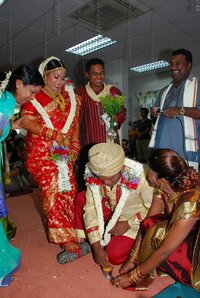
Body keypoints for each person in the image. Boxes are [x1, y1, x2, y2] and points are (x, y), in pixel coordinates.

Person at [20, 56, 90, 264]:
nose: (59, 82)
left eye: (62, 77)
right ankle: (64, 238)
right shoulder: (35, 96)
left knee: (69, 190)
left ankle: (73, 230)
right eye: (55, 77)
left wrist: (76, 145)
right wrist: (53, 135)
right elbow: (25, 121)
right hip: (42, 152)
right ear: (45, 76)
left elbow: (75, 123)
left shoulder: (72, 97)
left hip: (64, 152)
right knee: (53, 190)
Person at [110, 148, 200, 296]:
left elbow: (164, 252)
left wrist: (133, 276)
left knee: (163, 250)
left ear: (162, 179)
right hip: (180, 234)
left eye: (150, 172)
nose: (147, 175)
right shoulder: (164, 188)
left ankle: (184, 274)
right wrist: (133, 259)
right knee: (151, 224)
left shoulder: (189, 204)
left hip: (196, 250)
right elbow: (148, 222)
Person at [74, 143, 154, 275]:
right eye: (101, 178)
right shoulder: (93, 174)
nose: (105, 182)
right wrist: (96, 247)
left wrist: (129, 223)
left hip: (133, 217)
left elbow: (155, 210)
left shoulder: (142, 176)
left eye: (110, 178)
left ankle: (140, 247)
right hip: (109, 208)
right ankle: (86, 240)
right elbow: (91, 209)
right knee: (82, 198)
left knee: (114, 256)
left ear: (122, 168)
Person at [0, 65, 44, 286]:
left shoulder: (5, 99)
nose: (33, 97)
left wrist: (19, 124)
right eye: (32, 91)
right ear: (18, 83)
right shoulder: (7, 101)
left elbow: (3, 130)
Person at [75, 58, 126, 189]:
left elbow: (122, 112)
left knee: (113, 175)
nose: (99, 77)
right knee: (90, 178)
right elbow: (75, 118)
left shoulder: (113, 91)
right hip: (88, 141)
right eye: (94, 74)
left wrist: (117, 117)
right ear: (87, 75)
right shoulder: (79, 93)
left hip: (110, 141)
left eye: (102, 73)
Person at [149, 49, 200, 170]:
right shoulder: (164, 91)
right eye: (171, 63)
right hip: (161, 147)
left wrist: (181, 110)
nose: (173, 67)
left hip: (185, 150)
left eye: (178, 63)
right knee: (162, 185)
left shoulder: (197, 87)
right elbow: (155, 118)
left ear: (189, 65)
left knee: (185, 185)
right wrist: (154, 113)